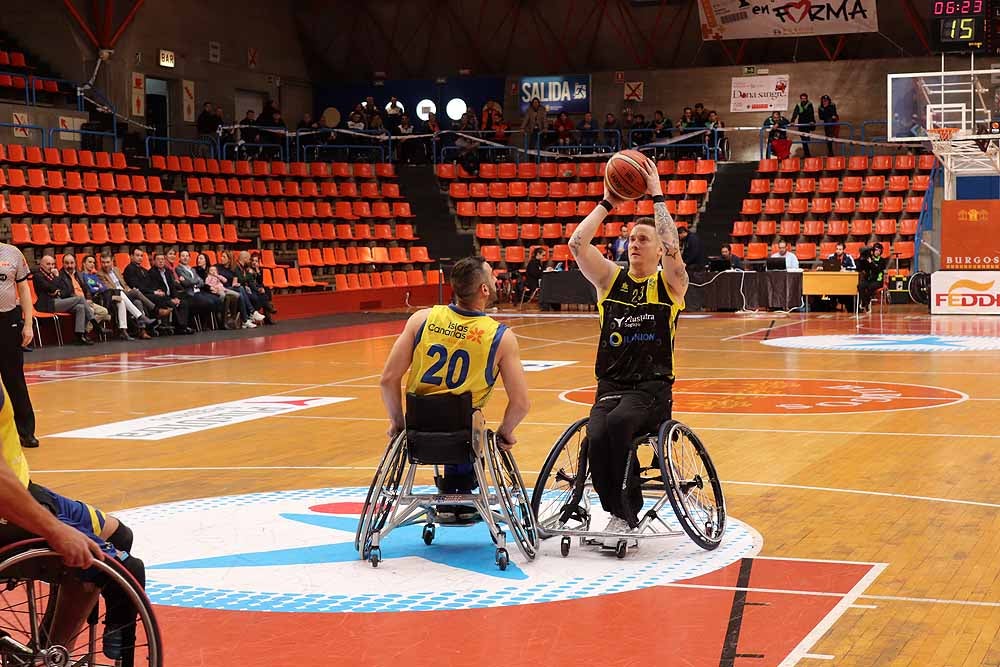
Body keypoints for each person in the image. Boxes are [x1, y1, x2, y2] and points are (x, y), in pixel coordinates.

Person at [567, 155, 687, 543]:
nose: (634, 243)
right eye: (632, 239)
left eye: (643, 239)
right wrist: (607, 202)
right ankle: (614, 511)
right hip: (611, 386)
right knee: (595, 434)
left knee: (618, 425)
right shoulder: (610, 280)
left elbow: (673, 246)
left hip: (651, 390)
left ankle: (626, 512)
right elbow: (576, 244)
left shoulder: (669, 284)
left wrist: (656, 194)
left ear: (658, 250)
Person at [0, 378, 145, 660]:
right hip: (7, 505)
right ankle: (48, 659)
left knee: (119, 536)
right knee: (116, 567)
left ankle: (48, 652)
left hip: (21, 488)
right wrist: (56, 532)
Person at [378, 256, 531, 522]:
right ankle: (462, 490)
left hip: (419, 425)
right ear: (484, 289)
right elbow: (520, 404)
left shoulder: (422, 319)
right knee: (472, 428)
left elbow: (388, 379)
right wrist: (505, 433)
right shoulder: (500, 336)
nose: (496, 278)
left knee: (455, 426)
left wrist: (398, 423)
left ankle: (449, 491)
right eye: (492, 275)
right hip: (464, 432)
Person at [0, 242, 38, 447]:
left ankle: (25, 431)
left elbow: (23, 289)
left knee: (14, 378)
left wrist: (28, 324)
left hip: (8, 320)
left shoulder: (13, 253)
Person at [33, 255, 93, 345]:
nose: (51, 266)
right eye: (48, 264)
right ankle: (95, 323)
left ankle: (80, 335)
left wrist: (57, 291)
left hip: (59, 300)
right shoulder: (38, 276)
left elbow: (66, 290)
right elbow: (51, 288)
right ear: (41, 264)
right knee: (80, 298)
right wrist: (57, 278)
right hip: (47, 304)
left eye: (53, 264)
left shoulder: (52, 275)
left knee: (80, 307)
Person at [79, 255, 134, 341]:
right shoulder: (82, 276)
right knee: (120, 295)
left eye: (94, 262)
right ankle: (88, 330)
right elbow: (92, 290)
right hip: (96, 299)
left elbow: (104, 288)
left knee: (121, 301)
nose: (92, 264)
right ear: (84, 264)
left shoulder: (94, 276)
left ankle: (123, 330)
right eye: (90, 262)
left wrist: (100, 290)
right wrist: (100, 289)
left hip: (104, 297)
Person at [857, 243, 888, 312]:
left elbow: (877, 270)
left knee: (870, 287)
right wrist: (861, 259)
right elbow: (860, 268)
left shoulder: (882, 261)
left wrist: (871, 263)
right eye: (876, 250)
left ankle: (865, 303)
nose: (877, 252)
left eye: (879, 251)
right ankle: (865, 303)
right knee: (860, 286)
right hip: (868, 280)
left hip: (878, 281)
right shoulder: (868, 258)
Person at [790, 93, 816, 157]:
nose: (803, 100)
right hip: (801, 124)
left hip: (808, 124)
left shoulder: (809, 104)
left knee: (806, 139)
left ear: (807, 99)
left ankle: (807, 154)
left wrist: (812, 121)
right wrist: (792, 121)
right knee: (803, 139)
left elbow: (811, 113)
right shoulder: (798, 105)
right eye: (802, 98)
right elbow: (795, 113)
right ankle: (807, 154)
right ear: (800, 99)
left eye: (804, 98)